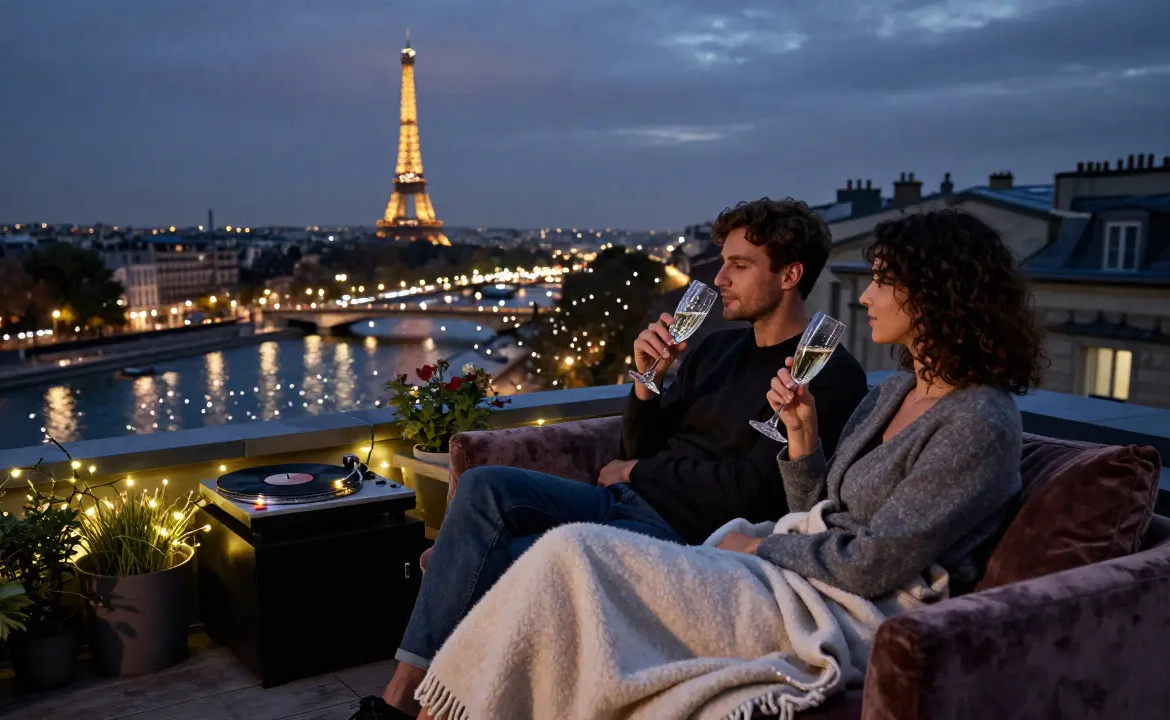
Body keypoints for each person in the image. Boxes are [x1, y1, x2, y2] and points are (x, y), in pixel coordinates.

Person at [408, 209, 1044, 720]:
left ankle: (442, 702)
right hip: (773, 553)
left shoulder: (974, 421)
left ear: (935, 293)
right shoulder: (893, 393)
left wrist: (756, 545)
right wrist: (788, 438)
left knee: (557, 555)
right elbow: (815, 508)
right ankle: (427, 696)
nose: (868, 294)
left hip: (805, 580)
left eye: (882, 279)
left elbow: (872, 557)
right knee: (505, 515)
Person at [350, 198, 868, 720]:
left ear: (790, 275)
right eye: (722, 262)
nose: (719, 279)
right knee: (484, 486)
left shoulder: (826, 375)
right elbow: (635, 450)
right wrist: (646, 383)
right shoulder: (714, 350)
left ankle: (418, 706)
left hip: (685, 536)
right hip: (620, 501)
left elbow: (749, 490)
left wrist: (639, 472)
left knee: (501, 558)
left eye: (739, 265)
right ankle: (409, 691)